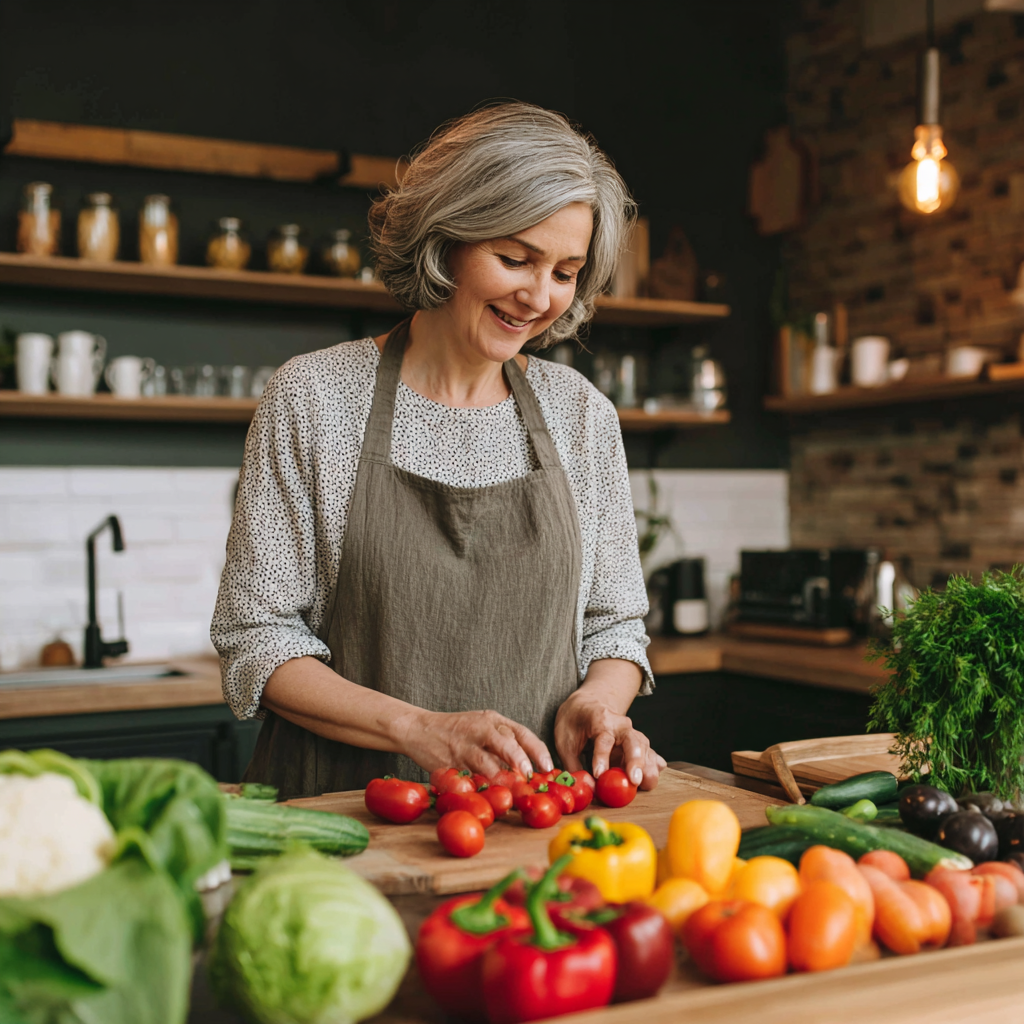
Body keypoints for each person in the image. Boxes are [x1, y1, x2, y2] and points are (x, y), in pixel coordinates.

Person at [211, 102, 665, 798]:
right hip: (348, 811)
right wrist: (416, 729)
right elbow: (257, 637)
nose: (539, 296)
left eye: (565, 272)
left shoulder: (582, 416)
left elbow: (615, 625)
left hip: (530, 816)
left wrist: (598, 703)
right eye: (514, 258)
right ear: (443, 239)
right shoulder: (314, 397)